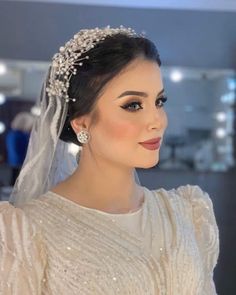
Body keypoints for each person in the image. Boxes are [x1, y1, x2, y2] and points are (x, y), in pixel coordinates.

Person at [0, 26, 219, 294]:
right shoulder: (27, 234)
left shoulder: (188, 212)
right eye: (133, 105)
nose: (157, 121)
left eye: (159, 101)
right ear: (82, 123)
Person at [5, 112, 34, 185]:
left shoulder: (12, 134)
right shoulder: (20, 135)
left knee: (14, 178)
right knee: (17, 180)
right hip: (20, 161)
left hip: (15, 160)